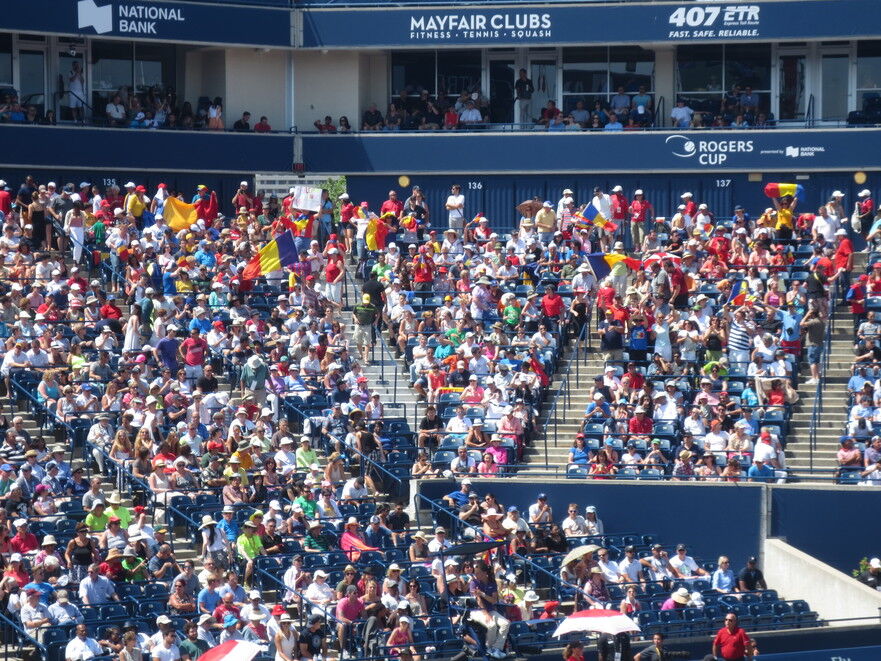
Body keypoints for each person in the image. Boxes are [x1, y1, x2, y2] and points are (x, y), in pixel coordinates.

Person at [469, 560, 509, 658]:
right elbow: (478, 600)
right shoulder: (473, 583)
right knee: (492, 625)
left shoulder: (492, 582)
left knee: (506, 623)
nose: (476, 575)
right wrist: (486, 613)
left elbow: (493, 600)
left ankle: (496, 648)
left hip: (490, 610)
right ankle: (489, 648)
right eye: (475, 573)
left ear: (485, 573)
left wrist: (482, 594)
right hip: (477, 611)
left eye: (478, 573)